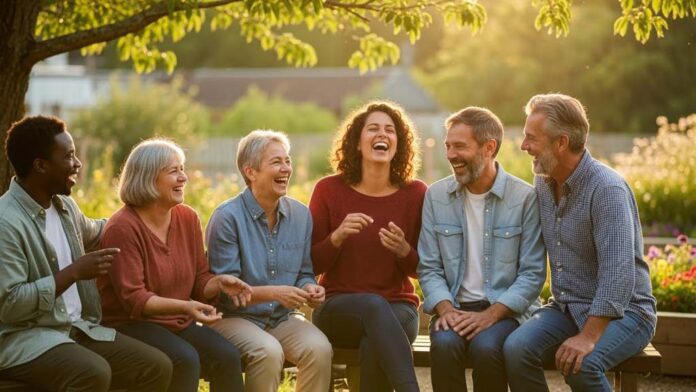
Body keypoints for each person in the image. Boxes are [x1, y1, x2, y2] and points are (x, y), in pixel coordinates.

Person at [0, 116, 172, 392]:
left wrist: (152, 223)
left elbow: (100, 231)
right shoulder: (6, 222)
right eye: (69, 156)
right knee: (92, 372)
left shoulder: (64, 206)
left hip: (77, 329)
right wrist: (73, 273)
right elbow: (9, 303)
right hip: (25, 339)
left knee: (155, 366)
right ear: (40, 165)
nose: (78, 164)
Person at [503, 93, 657, 391]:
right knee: (516, 349)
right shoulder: (543, 181)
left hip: (625, 313)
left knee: (582, 365)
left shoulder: (607, 189)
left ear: (561, 143)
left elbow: (618, 274)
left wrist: (588, 337)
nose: (524, 146)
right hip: (567, 308)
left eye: (531, 138)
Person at [98, 138, 251, 392]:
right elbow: (135, 300)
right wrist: (187, 307)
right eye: (174, 171)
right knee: (184, 360)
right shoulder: (122, 227)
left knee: (227, 356)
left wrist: (217, 283)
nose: (184, 178)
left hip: (176, 322)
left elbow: (200, 279)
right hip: (129, 325)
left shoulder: (187, 218)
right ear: (147, 177)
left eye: (183, 169)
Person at [417, 107, 546, 391]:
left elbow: (533, 273)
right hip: (454, 307)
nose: (450, 154)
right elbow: (429, 267)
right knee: (444, 345)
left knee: (487, 349)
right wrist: (446, 308)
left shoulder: (523, 198)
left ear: (489, 148)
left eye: (460, 146)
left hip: (505, 312)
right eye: (448, 146)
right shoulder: (436, 196)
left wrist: (491, 315)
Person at [309, 101, 427, 392]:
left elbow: (424, 269)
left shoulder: (416, 194)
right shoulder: (328, 190)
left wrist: (403, 250)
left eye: (390, 130)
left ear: (398, 144)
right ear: (357, 142)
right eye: (373, 128)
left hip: (399, 308)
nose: (382, 134)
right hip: (338, 308)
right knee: (374, 307)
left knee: (374, 341)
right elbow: (309, 265)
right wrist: (336, 238)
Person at [206, 130, 332, 392]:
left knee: (320, 349)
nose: (286, 168)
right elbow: (227, 294)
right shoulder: (227, 218)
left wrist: (310, 287)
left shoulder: (300, 215)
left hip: (280, 318)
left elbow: (304, 272)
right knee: (268, 351)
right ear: (250, 172)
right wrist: (274, 293)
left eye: (287, 161)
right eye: (276, 162)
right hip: (232, 318)